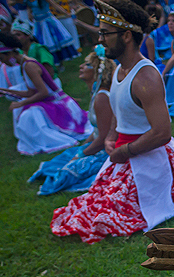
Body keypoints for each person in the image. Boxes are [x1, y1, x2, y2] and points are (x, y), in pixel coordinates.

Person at [51, 0, 174, 244]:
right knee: (91, 207)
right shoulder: (118, 69)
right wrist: (111, 136)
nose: (100, 39)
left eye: (105, 33)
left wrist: (125, 151)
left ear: (125, 36)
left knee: (106, 215)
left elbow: (162, 133)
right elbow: (117, 114)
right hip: (124, 153)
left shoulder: (145, 77)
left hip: (148, 158)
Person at [0, 31, 92, 155]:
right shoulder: (24, 64)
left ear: (10, 53)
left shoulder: (29, 65)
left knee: (28, 116)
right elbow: (32, 91)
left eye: (2, 58)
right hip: (50, 100)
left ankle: (49, 139)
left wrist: (20, 103)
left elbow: (43, 92)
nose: (3, 63)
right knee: (26, 113)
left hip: (57, 102)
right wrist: (9, 91)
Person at [28, 45, 115, 195]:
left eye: (87, 65)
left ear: (98, 72)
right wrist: (84, 147)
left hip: (107, 150)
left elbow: (104, 137)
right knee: (63, 158)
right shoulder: (96, 94)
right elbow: (97, 132)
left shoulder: (102, 97)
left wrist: (81, 154)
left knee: (67, 172)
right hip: (99, 143)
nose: (81, 66)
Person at [27, 0, 79, 64]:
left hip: (47, 22)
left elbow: (53, 4)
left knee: (52, 41)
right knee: (43, 41)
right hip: (38, 23)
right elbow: (29, 7)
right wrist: (29, 15)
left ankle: (59, 61)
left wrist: (66, 13)